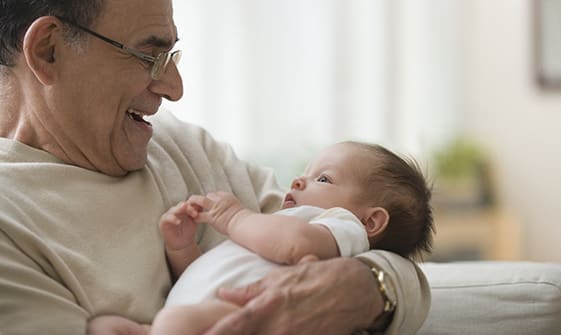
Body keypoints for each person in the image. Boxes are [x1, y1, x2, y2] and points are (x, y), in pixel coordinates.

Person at [0, 1, 430, 335]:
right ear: (48, 50)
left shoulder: (179, 145)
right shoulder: (11, 216)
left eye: (172, 57)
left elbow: (378, 254)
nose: (174, 88)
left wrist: (373, 287)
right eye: (149, 56)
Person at [148, 141, 434, 335]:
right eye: (305, 173)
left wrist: (236, 217)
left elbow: (297, 246)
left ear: (370, 221)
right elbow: (218, 274)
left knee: (172, 323)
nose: (298, 181)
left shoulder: (341, 224)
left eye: (323, 179)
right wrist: (183, 248)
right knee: (110, 326)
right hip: (206, 310)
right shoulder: (274, 227)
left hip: (249, 317)